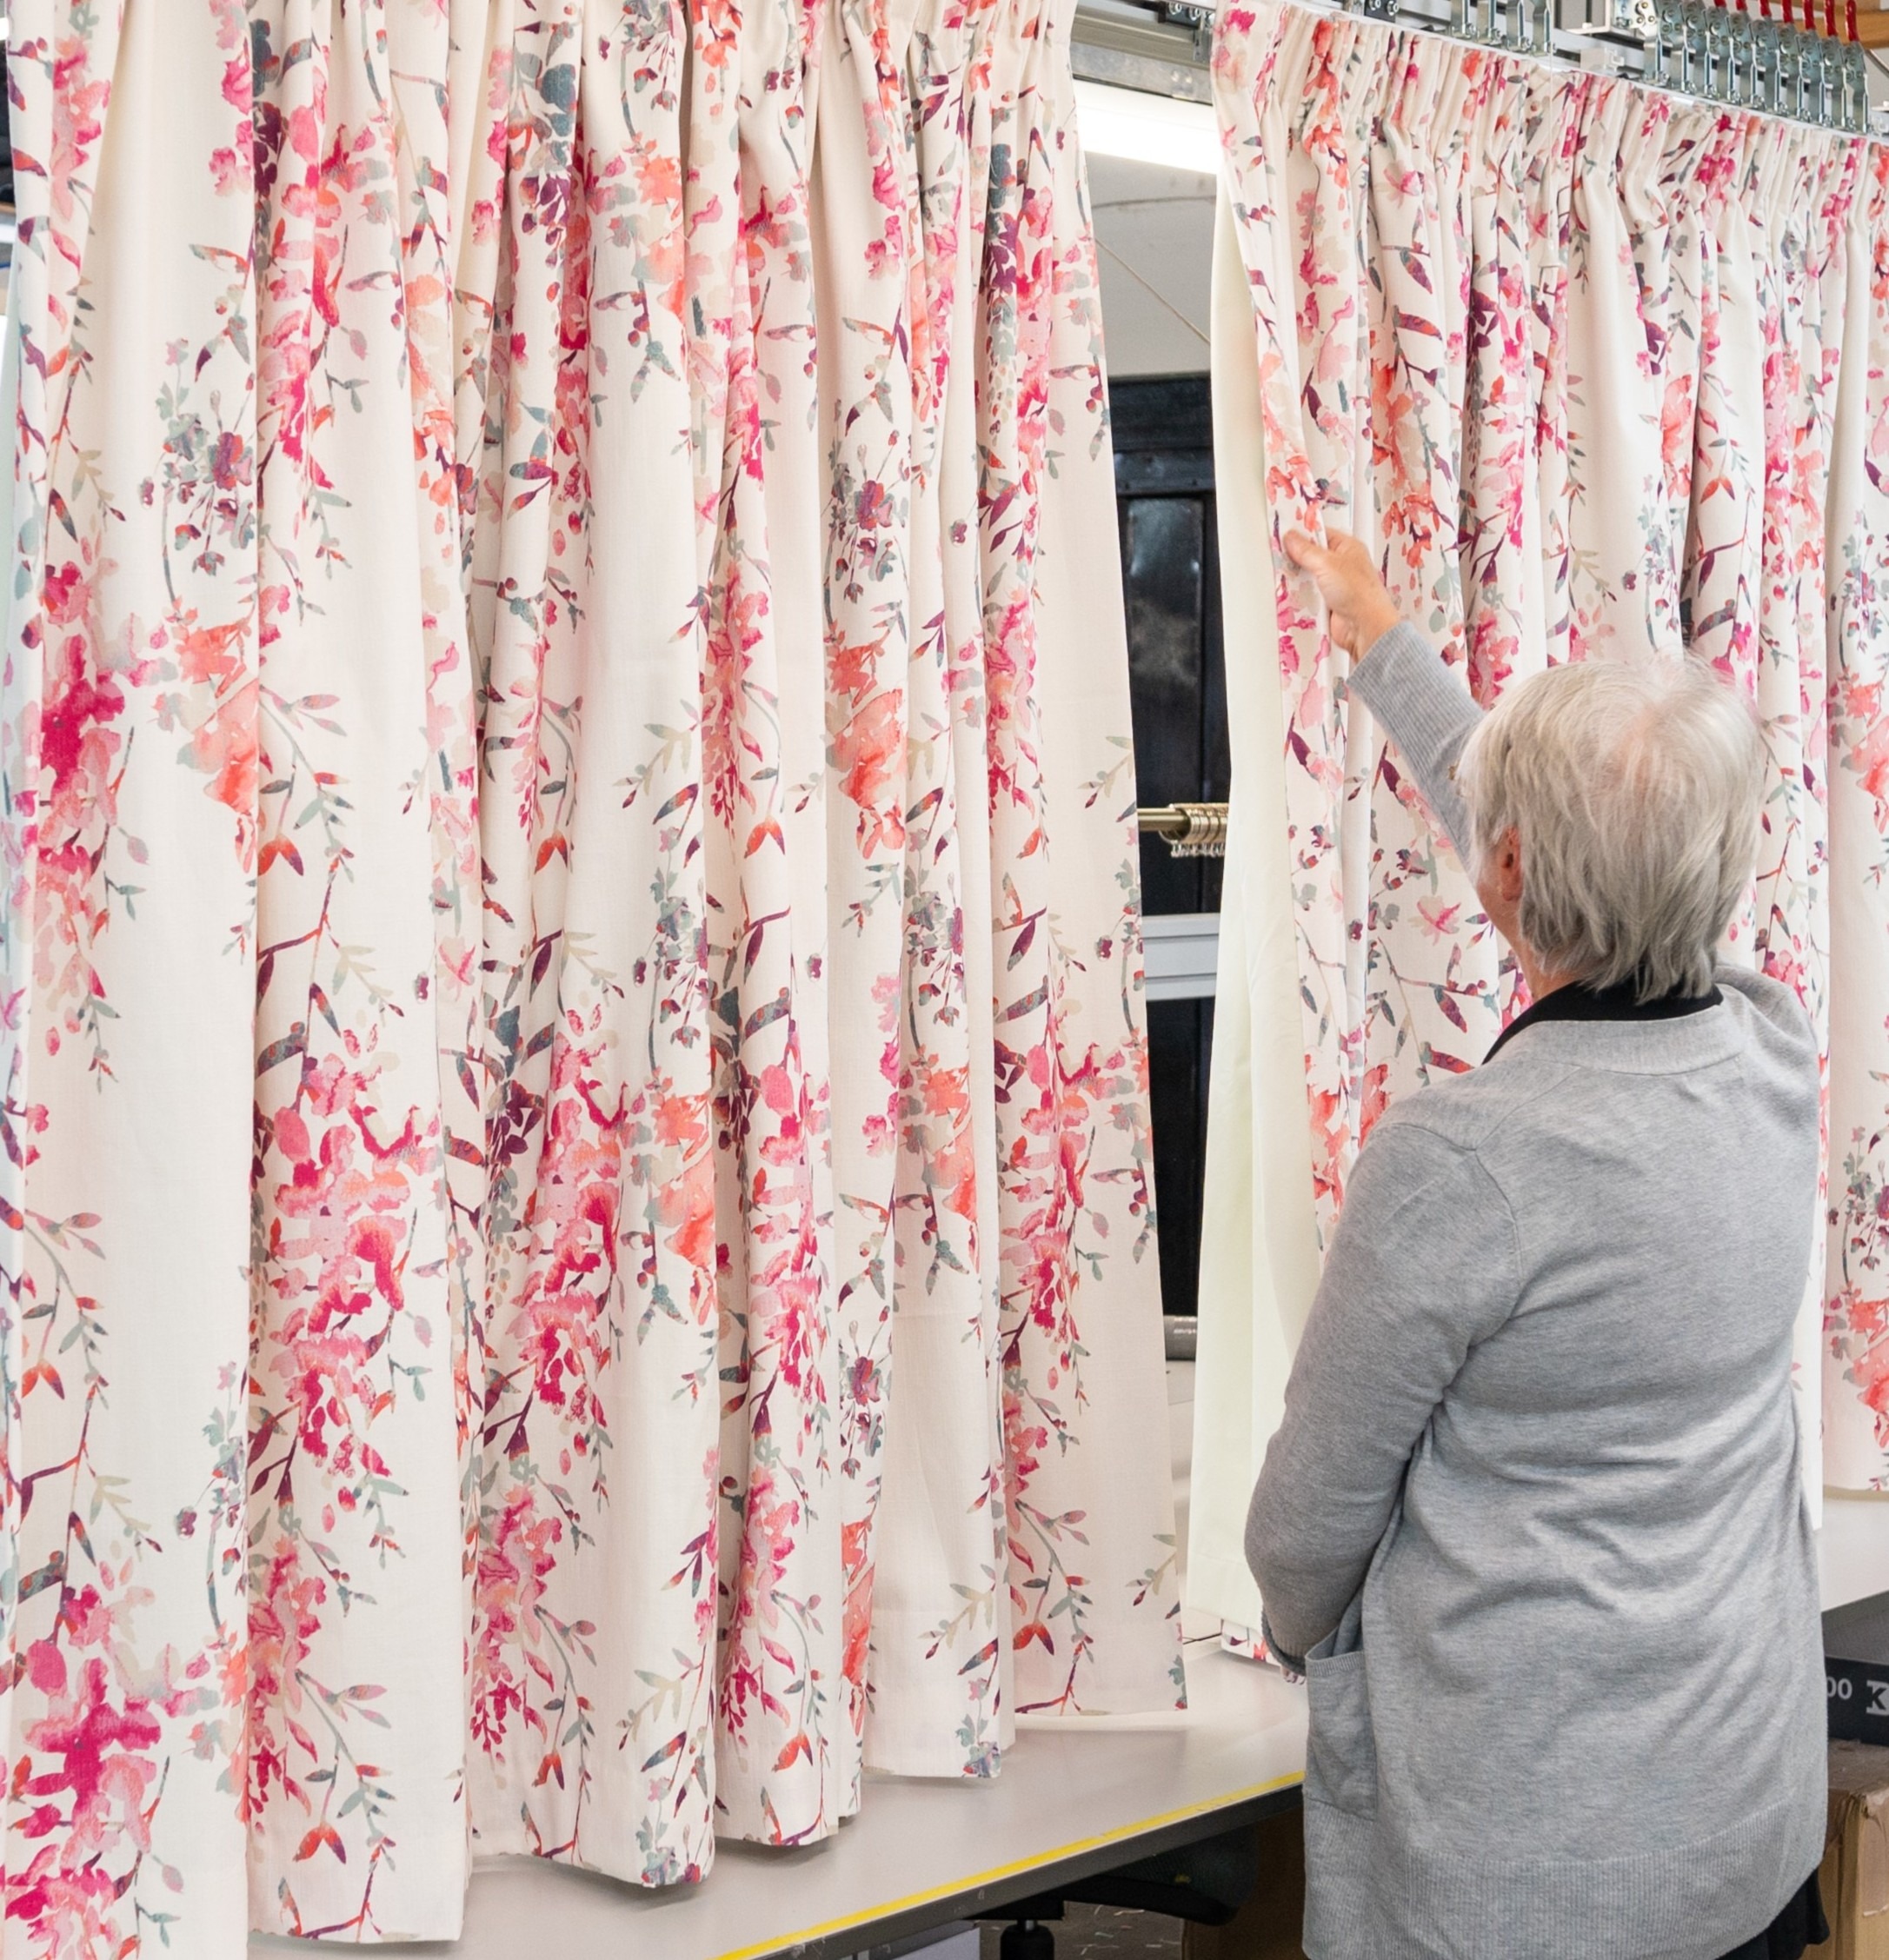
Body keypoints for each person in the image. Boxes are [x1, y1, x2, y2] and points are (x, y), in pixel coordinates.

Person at [1247, 530, 1829, 1960]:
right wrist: (1385, 642)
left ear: (1502, 870)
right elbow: (1599, 854)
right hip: (1740, 1829)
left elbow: (1303, 1539)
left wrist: (1295, 1635)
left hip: (1525, 1887)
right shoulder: (1767, 1047)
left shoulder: (1463, 1164)